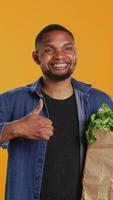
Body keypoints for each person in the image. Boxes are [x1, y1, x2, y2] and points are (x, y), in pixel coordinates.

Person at [0, 24, 113, 200]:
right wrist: (15, 129)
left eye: (67, 48)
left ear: (75, 54)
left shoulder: (99, 101)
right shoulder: (12, 100)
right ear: (36, 57)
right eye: (49, 50)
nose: (60, 56)